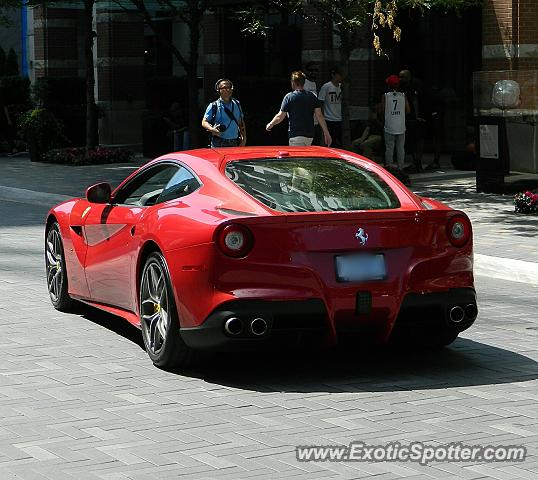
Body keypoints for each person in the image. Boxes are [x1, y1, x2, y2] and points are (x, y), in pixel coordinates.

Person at [266, 70, 332, 147]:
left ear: (293, 82)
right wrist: (326, 132)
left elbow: (280, 116)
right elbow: (319, 115)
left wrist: (271, 124)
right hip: (309, 135)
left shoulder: (289, 97)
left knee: (297, 158)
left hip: (295, 134)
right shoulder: (312, 96)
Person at [202, 78, 246, 147]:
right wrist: (212, 129)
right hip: (218, 142)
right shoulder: (214, 106)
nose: (228, 90)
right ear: (218, 90)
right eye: (224, 87)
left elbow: (241, 122)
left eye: (229, 87)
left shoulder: (237, 104)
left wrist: (244, 138)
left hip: (234, 142)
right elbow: (204, 122)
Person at [381, 74, 410, 169]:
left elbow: (382, 109)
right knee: (401, 148)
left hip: (389, 125)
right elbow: (408, 110)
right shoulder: (403, 96)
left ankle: (389, 167)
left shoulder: (385, 96)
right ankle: (400, 167)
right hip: (401, 125)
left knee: (389, 148)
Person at [399, 69, 425, 171]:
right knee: (411, 139)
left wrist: (417, 115)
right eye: (399, 77)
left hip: (416, 116)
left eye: (402, 77)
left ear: (408, 76)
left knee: (418, 138)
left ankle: (418, 162)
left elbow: (415, 100)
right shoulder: (401, 86)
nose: (400, 79)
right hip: (407, 116)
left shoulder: (415, 84)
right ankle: (415, 161)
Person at [318, 68, 343, 147]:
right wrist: (322, 116)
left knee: (338, 141)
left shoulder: (341, 87)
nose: (340, 77)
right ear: (333, 75)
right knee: (331, 141)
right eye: (338, 75)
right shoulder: (326, 86)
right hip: (329, 118)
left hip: (339, 118)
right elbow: (320, 101)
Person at [0, 81, 18, 155]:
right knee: (7, 133)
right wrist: (8, 119)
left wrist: (8, 119)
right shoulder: (2, 92)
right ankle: (13, 148)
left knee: (6, 133)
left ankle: (13, 148)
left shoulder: (1, 93)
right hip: (3, 117)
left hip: (2, 116)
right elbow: (5, 107)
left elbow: (4, 107)